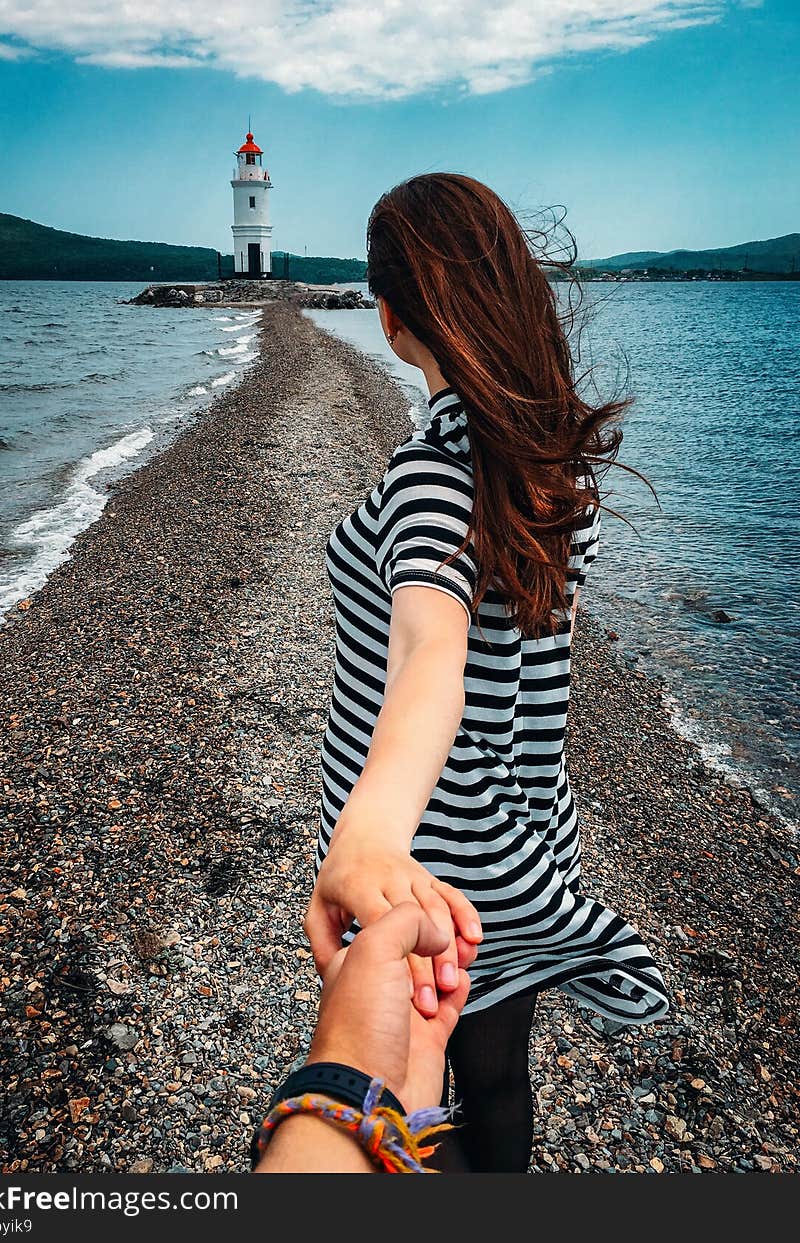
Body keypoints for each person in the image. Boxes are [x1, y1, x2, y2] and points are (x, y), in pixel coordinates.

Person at [304, 173, 670, 1173]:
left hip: (431, 862)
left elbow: (432, 652)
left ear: (387, 317)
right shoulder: (553, 463)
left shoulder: (431, 475)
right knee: (497, 1072)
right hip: (523, 841)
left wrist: (369, 835)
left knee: (404, 1087)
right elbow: (534, 643)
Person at [255, 903, 474, 1173]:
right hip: (501, 907)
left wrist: (349, 1068)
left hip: (379, 926)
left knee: (432, 1122)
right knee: (497, 1081)